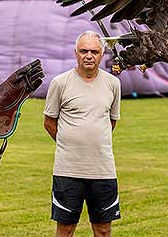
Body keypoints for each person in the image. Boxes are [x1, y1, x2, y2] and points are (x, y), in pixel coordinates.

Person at [44, 31, 121, 237]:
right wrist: (69, 144)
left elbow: (111, 121)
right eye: (84, 51)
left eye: (94, 51)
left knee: (103, 230)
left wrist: (93, 141)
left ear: (102, 54)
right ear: (75, 53)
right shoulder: (60, 83)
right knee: (65, 230)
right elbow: (49, 122)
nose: (89, 55)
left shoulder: (113, 84)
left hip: (103, 170)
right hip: (68, 170)